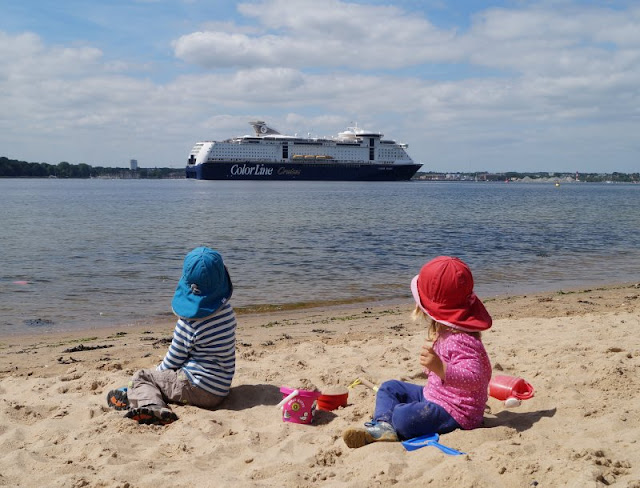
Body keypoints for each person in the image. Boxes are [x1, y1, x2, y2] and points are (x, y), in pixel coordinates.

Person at [343, 256, 492, 448]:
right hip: (435, 394)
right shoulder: (447, 330)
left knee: (402, 416)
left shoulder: (462, 339)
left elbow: (477, 378)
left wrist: (440, 367)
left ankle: (390, 423)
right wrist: (435, 369)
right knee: (389, 387)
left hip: (457, 411)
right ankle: (383, 425)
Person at [106, 246, 237, 425]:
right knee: (168, 380)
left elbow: (172, 361)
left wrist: (155, 374)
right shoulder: (228, 312)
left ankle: (151, 405)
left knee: (142, 377)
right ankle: (141, 394)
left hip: (198, 389)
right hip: (221, 388)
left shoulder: (189, 322)